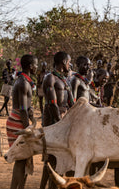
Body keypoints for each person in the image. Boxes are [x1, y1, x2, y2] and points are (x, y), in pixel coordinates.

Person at [40, 51, 74, 189]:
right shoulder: (50, 78)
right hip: (53, 124)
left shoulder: (64, 80)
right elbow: (52, 104)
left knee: (59, 159)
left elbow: (73, 102)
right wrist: (61, 123)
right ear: (64, 62)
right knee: (52, 159)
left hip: (63, 122)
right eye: (69, 62)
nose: (70, 65)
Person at [6, 54, 38, 189]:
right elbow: (23, 109)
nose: (37, 67)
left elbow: (27, 108)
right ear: (31, 66)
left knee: (24, 158)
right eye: (36, 65)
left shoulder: (23, 81)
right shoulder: (24, 83)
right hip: (18, 121)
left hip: (19, 119)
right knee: (21, 158)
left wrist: (32, 119)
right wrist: (28, 130)